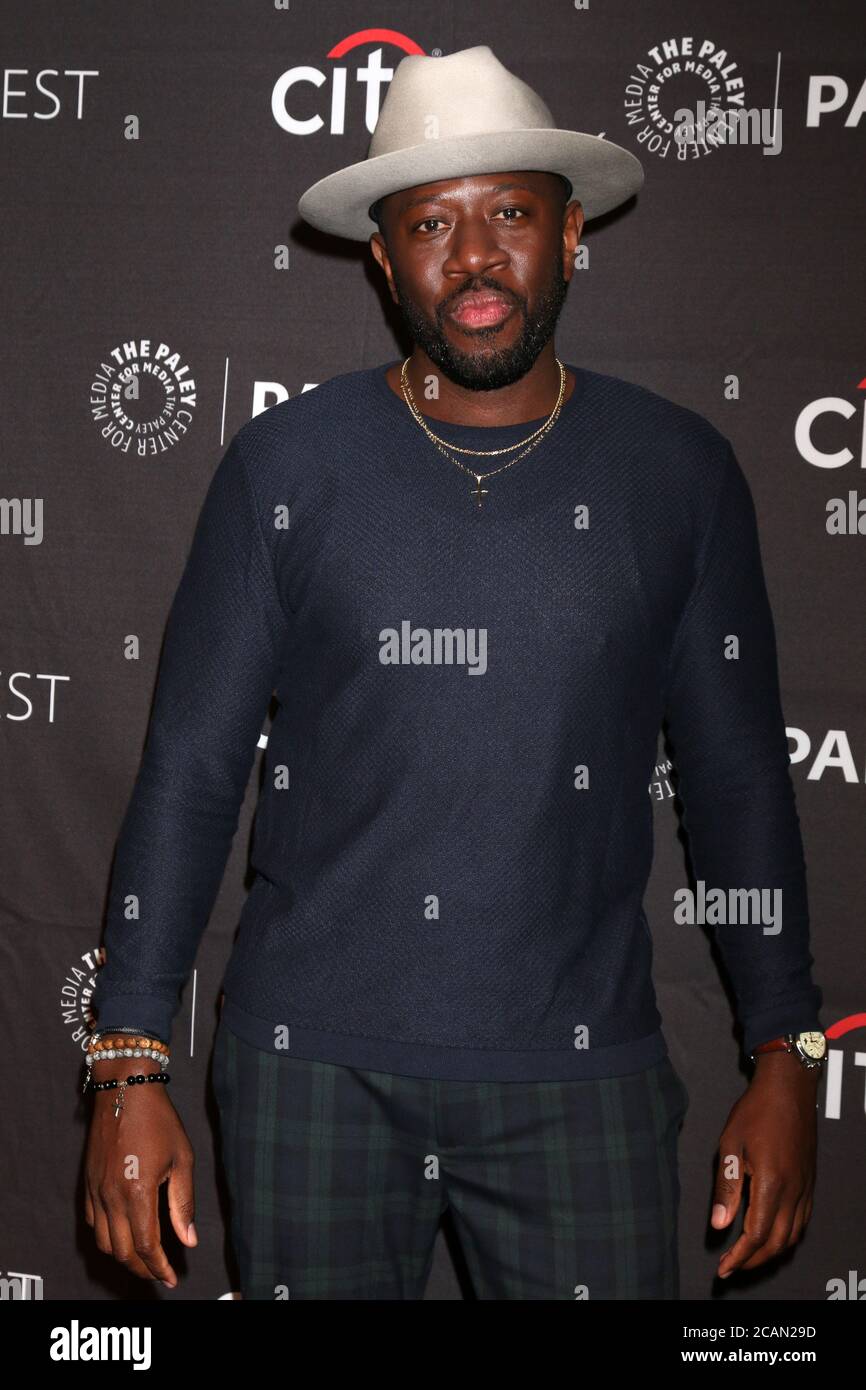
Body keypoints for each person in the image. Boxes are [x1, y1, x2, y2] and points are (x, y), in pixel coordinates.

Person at [85, 45, 826, 1301]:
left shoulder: (677, 476)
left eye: (508, 216)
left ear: (570, 231)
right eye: (431, 222)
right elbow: (190, 774)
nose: (473, 257)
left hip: (577, 1077)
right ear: (381, 255)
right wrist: (127, 1068)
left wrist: (785, 1048)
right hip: (307, 1069)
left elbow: (739, 780)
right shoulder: (283, 469)